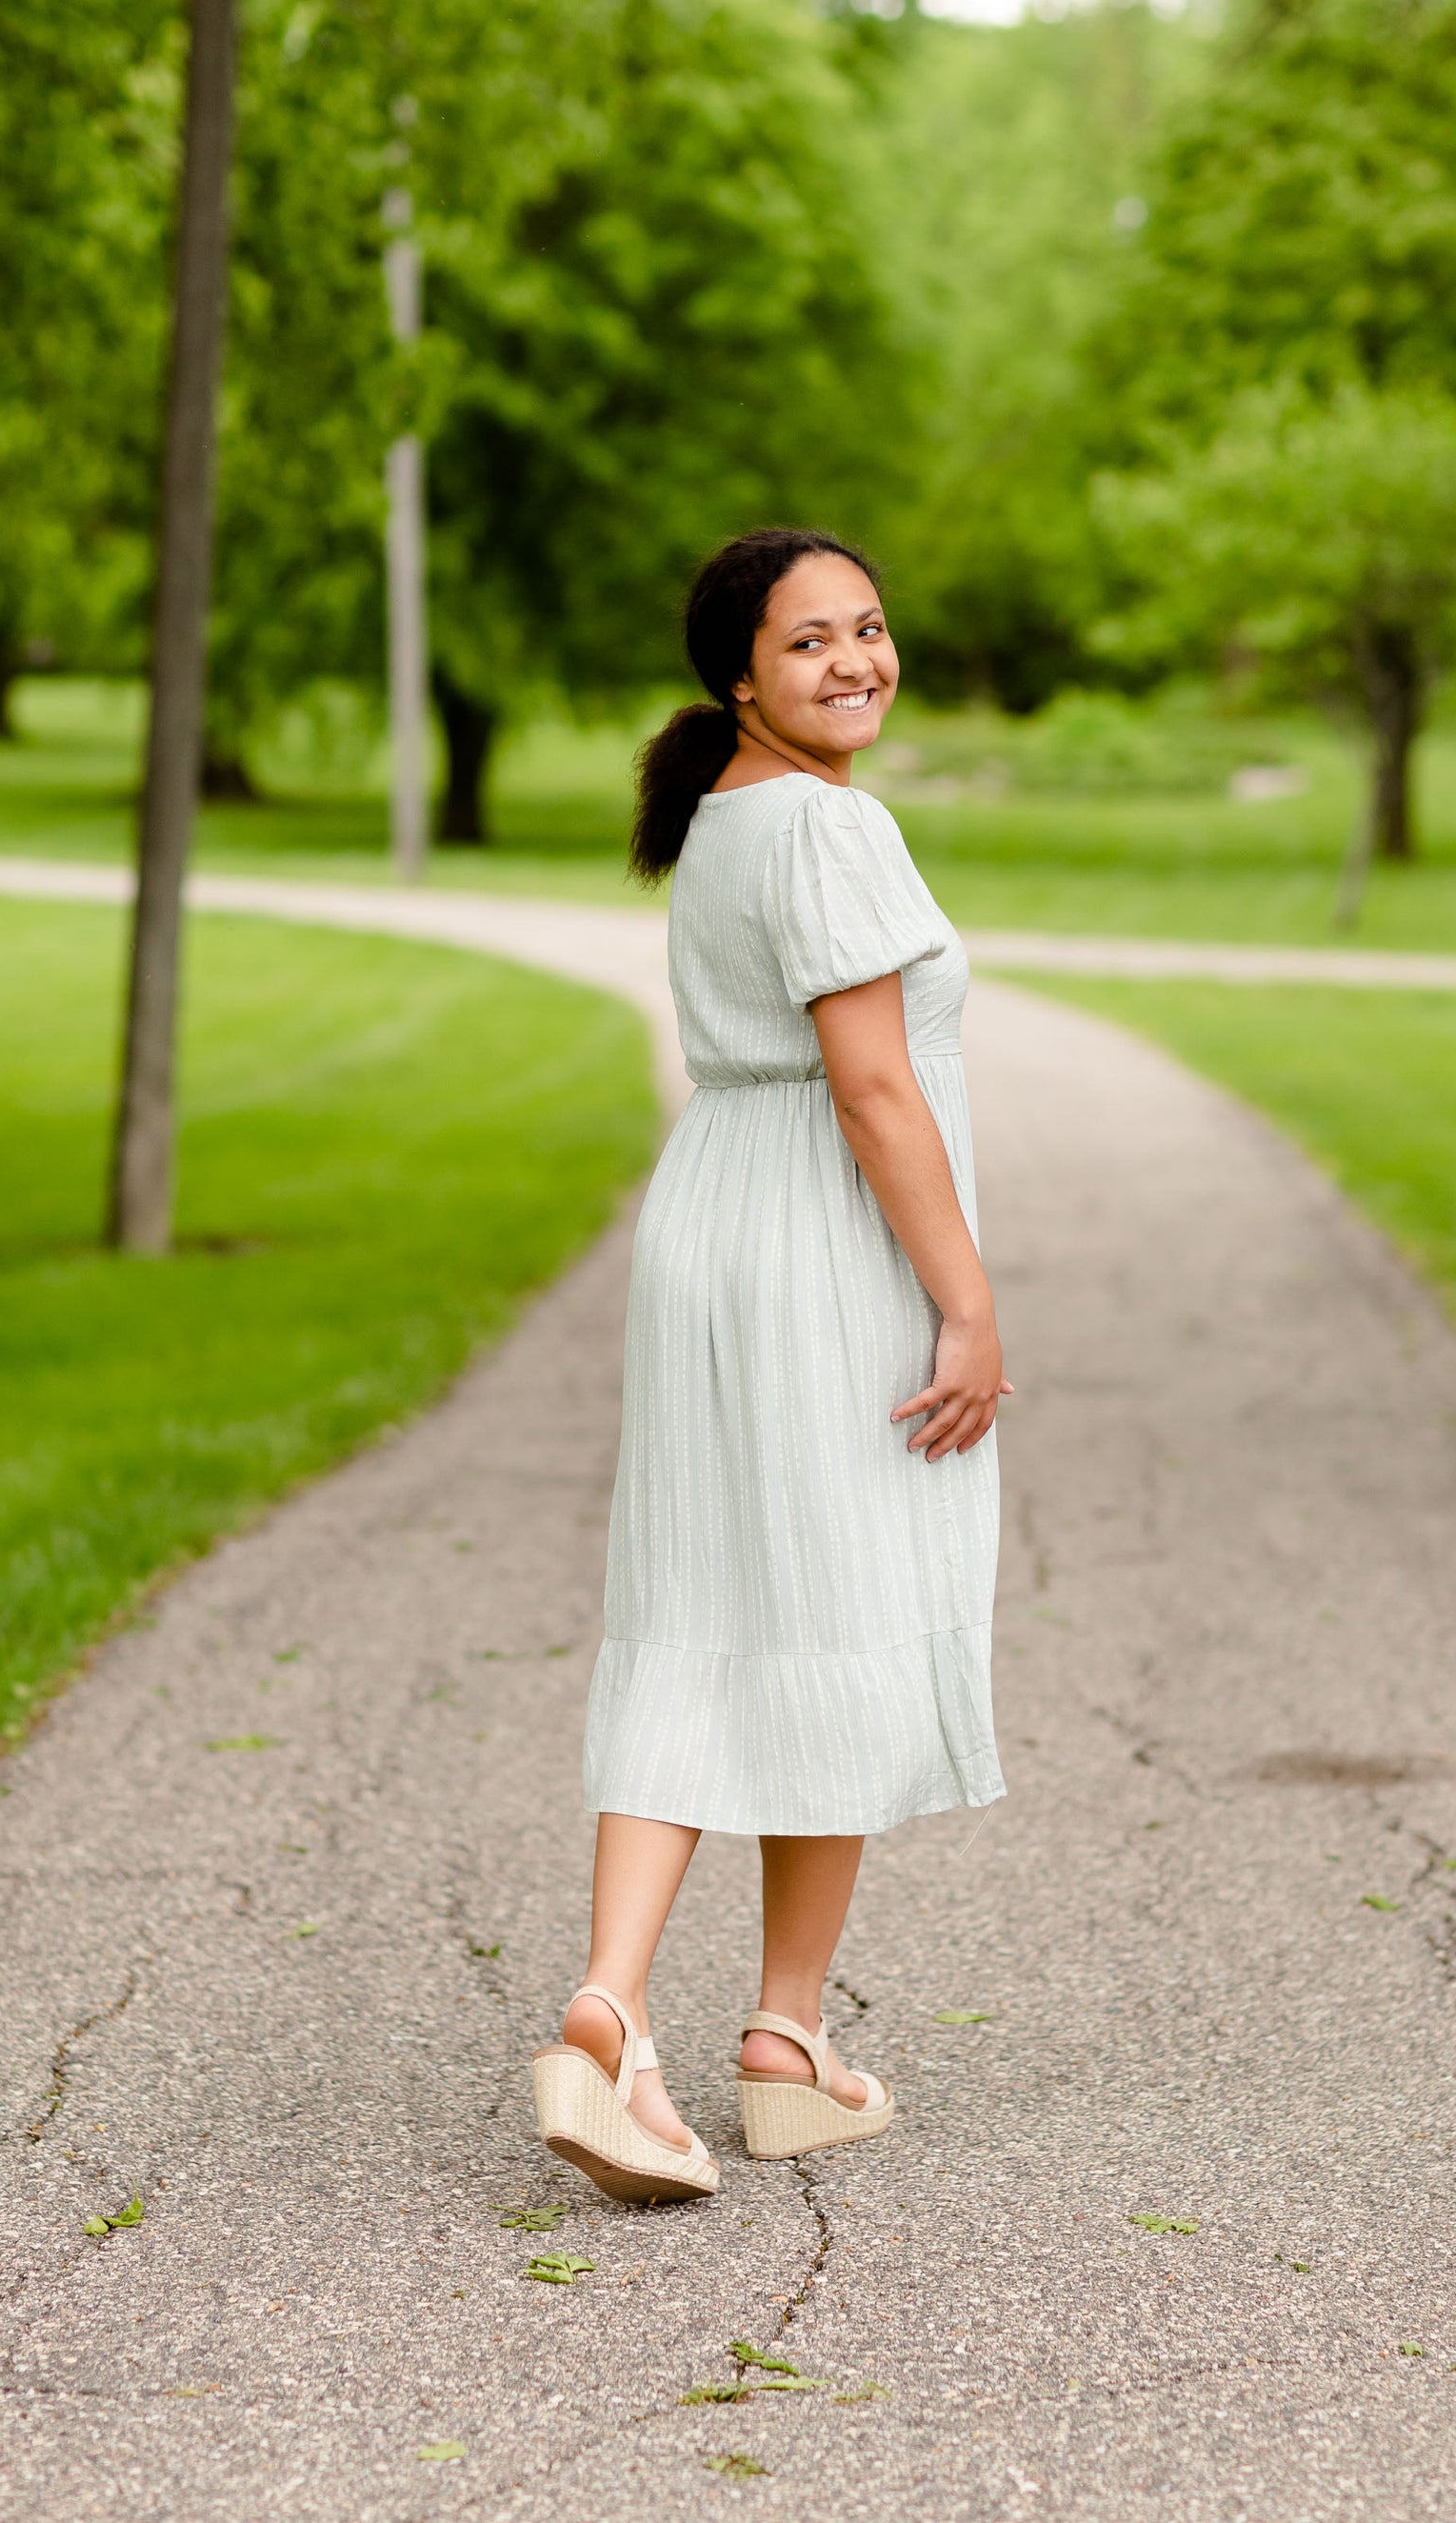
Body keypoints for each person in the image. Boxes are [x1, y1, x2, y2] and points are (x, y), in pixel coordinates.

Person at [530, 529, 1007, 2200]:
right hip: (821, 1245)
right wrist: (964, 1303)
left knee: (729, 1602)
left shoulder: (731, 820)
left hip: (718, 1222)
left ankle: (724, 2038)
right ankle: (686, 2024)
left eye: (869, 629)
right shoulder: (824, 825)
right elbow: (874, 1090)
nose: (853, 661)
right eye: (810, 642)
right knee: (829, 1599)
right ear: (740, 675)